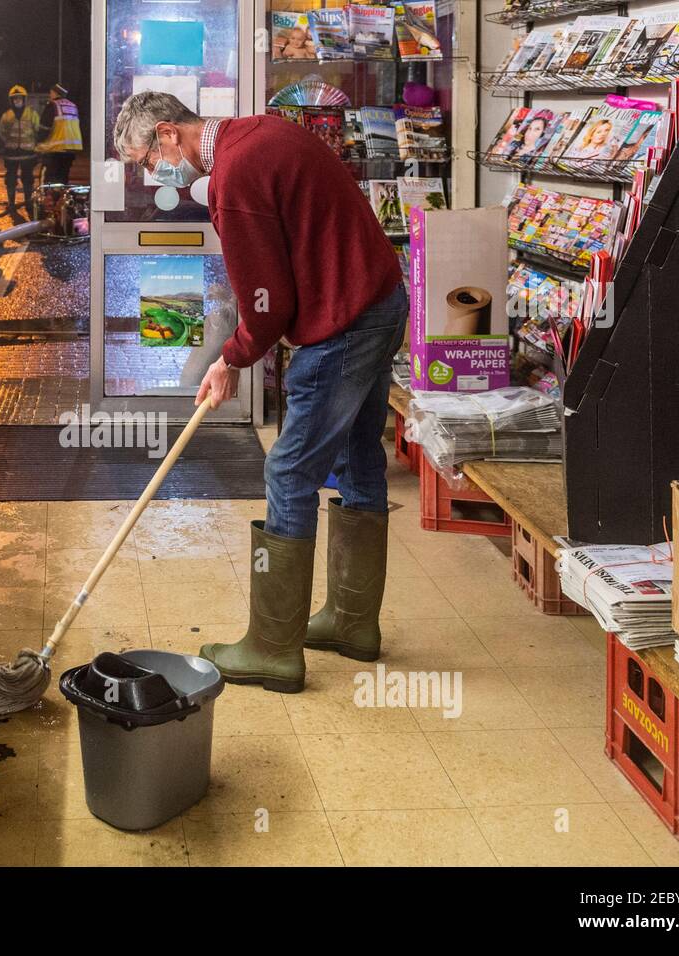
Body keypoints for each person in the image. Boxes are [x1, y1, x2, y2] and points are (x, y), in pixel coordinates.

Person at [112, 92, 408, 694]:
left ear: (169, 134)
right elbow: (273, 283)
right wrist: (242, 339)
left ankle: (274, 648)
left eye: (146, 160)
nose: (151, 174)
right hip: (376, 302)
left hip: (343, 322)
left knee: (289, 472)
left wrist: (232, 358)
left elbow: (271, 302)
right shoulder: (257, 133)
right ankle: (353, 624)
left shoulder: (234, 177)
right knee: (356, 459)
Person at [0, 84, 41, 215]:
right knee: (10, 178)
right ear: (11, 100)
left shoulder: (32, 114)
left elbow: (37, 130)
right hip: (11, 153)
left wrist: (35, 146)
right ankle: (11, 203)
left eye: (19, 98)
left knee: (27, 178)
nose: (17, 101)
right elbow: (1, 131)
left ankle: (28, 202)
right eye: (15, 98)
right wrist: (8, 143)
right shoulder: (6, 115)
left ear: (24, 99)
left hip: (28, 153)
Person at [37, 84, 83, 184]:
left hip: (54, 150)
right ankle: (59, 198)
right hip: (71, 150)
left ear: (55, 93)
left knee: (48, 180)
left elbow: (44, 128)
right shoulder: (72, 106)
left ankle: (47, 198)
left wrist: (38, 142)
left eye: (50, 93)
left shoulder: (53, 105)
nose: (50, 95)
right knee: (62, 178)